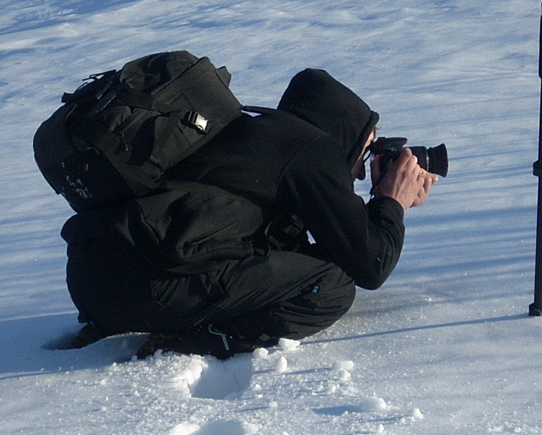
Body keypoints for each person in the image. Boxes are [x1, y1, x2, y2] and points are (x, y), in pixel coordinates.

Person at [61, 68, 436, 359]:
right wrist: (392, 202)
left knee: (307, 267)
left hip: (93, 279)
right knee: (330, 286)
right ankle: (197, 342)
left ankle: (155, 323)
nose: (360, 169)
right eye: (367, 150)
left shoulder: (249, 135)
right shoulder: (312, 149)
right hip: (141, 290)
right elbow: (370, 265)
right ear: (344, 134)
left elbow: (292, 256)